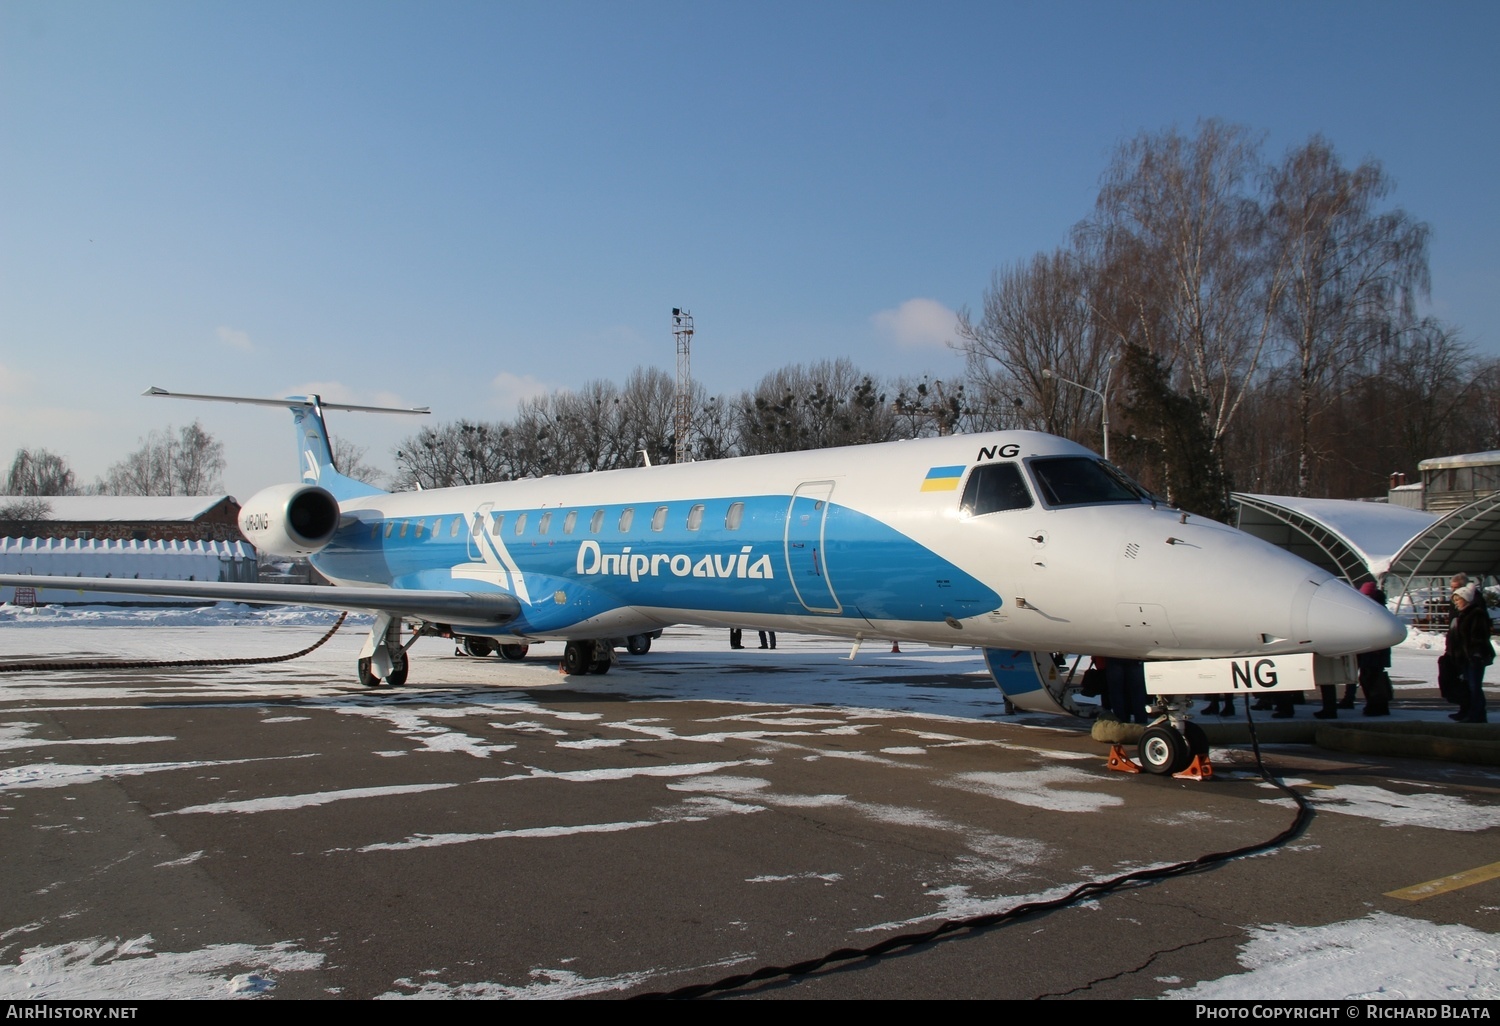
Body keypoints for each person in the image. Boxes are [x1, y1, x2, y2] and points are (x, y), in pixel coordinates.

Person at [1449, 584, 1493, 723]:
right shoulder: (1463, 614)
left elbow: (1479, 636)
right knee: (1470, 686)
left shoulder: (1476, 614)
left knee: (1475, 687)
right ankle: (1472, 712)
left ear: (1466, 599)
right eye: (1455, 600)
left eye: (1458, 599)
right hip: (1466, 656)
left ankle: (1478, 715)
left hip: (1475, 656)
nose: (1456, 603)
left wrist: (1476, 654)